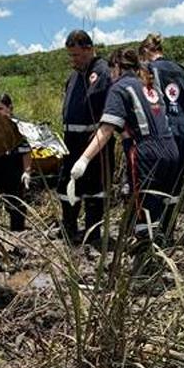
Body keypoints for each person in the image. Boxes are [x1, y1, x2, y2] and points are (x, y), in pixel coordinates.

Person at [69, 48, 179, 245]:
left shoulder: (119, 88)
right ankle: (164, 252)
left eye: (112, 70)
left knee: (144, 211)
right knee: (162, 206)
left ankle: (145, 266)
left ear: (117, 67)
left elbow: (106, 130)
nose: (111, 75)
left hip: (146, 154)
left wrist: (84, 160)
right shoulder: (148, 85)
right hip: (172, 149)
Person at [139, 33, 184, 233]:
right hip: (183, 133)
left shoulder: (148, 70)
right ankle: (168, 232)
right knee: (174, 187)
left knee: (154, 186)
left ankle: (150, 235)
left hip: (160, 135)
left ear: (146, 52)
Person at [59, 30, 112, 245]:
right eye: (71, 56)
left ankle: (93, 236)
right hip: (70, 140)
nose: (74, 60)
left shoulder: (100, 71)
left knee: (95, 190)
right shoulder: (74, 76)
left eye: (77, 55)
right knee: (66, 186)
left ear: (90, 49)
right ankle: (69, 229)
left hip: (92, 141)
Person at [0, 94, 33, 232]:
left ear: (10, 109)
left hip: (13, 169)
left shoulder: (19, 127)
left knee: (15, 204)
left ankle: (18, 233)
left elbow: (26, 151)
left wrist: (27, 172)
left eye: (0, 108)